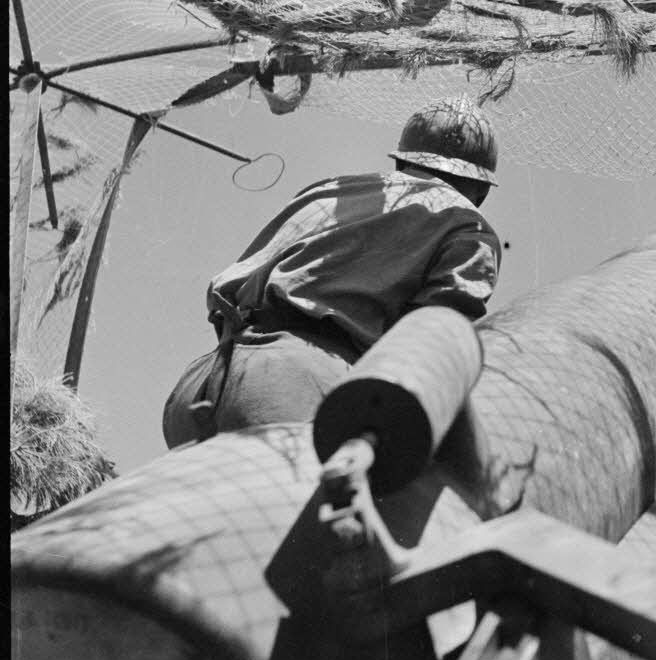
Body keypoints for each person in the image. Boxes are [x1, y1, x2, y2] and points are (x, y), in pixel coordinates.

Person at [162, 97, 501, 448]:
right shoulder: (468, 225)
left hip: (204, 380)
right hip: (297, 380)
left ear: (402, 160)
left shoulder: (330, 189)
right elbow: (434, 333)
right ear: (480, 188)